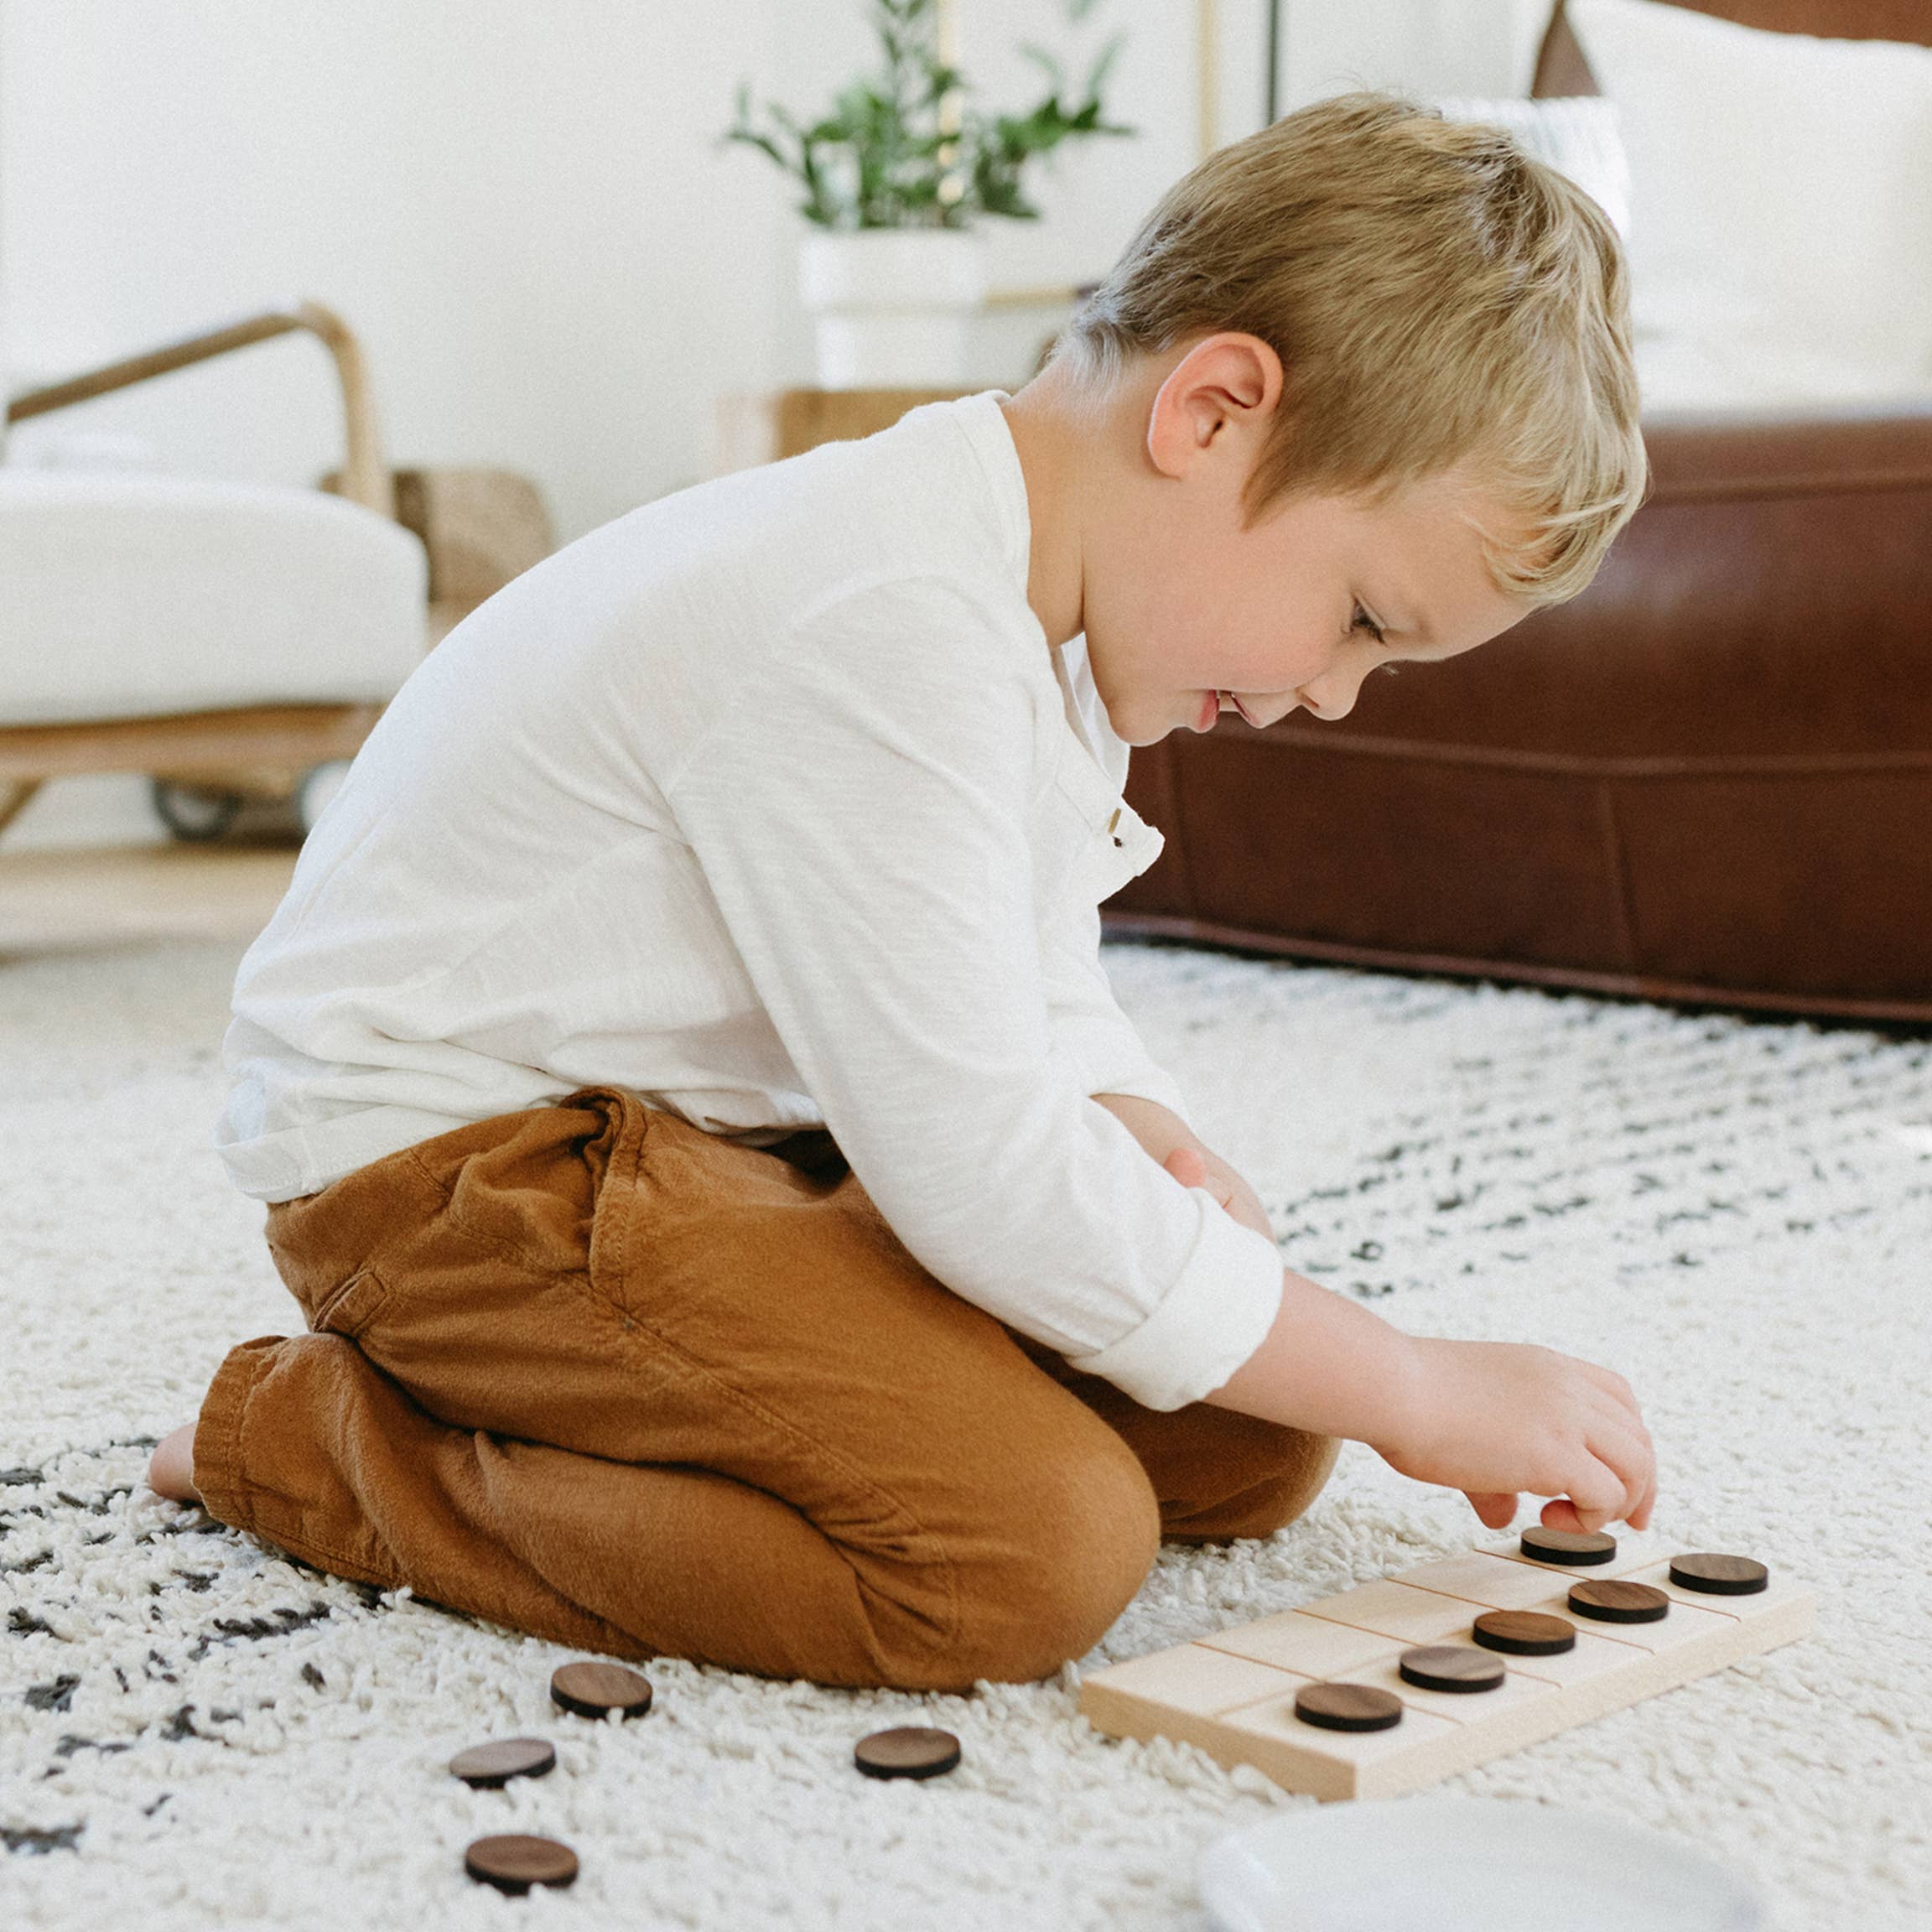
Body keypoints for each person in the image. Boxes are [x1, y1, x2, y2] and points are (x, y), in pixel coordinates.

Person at [148, 91, 1655, 1692]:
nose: (1338, 697)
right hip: (456, 1168)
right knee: (1026, 1552)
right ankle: (312, 1443)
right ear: (1213, 411)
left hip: (696, 1128)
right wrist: (1413, 1382)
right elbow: (985, 1168)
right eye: (1360, 618)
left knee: (1248, 1439)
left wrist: (1135, 1122)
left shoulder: (1036, 597)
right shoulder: (882, 615)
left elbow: (1016, 958)